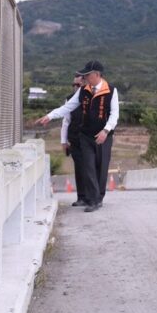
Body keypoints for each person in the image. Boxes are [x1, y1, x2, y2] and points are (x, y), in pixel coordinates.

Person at [36, 60, 119, 212]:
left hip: (104, 137)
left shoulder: (111, 91)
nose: (85, 77)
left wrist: (106, 131)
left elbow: (114, 115)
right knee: (88, 166)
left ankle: (99, 197)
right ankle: (92, 200)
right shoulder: (83, 91)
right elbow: (68, 107)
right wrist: (50, 116)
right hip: (86, 136)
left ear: (97, 74)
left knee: (101, 168)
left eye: (87, 74)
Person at [59, 75, 89, 207]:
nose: (75, 87)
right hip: (75, 139)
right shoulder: (69, 99)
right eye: (74, 85)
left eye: (78, 85)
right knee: (79, 167)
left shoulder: (91, 98)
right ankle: (81, 197)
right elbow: (66, 121)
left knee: (90, 167)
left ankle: (92, 196)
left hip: (89, 139)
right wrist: (64, 141)